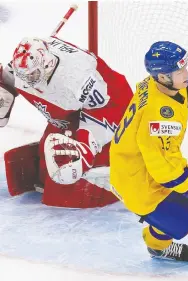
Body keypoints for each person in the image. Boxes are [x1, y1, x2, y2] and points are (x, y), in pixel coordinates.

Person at [109, 41, 188, 280]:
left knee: (180, 200)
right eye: (180, 71)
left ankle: (157, 246)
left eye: (185, 66)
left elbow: (171, 102)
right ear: (163, 76)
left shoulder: (151, 85)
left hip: (131, 171)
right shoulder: (159, 117)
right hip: (142, 187)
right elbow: (169, 174)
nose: (187, 73)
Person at [0, 36, 133, 208]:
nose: (27, 81)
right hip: (75, 108)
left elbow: (102, 111)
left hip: (111, 104)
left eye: (32, 75)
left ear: (47, 65)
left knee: (68, 163)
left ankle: (111, 172)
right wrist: (4, 85)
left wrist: (86, 146)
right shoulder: (31, 61)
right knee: (47, 151)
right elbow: (12, 74)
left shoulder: (78, 78)